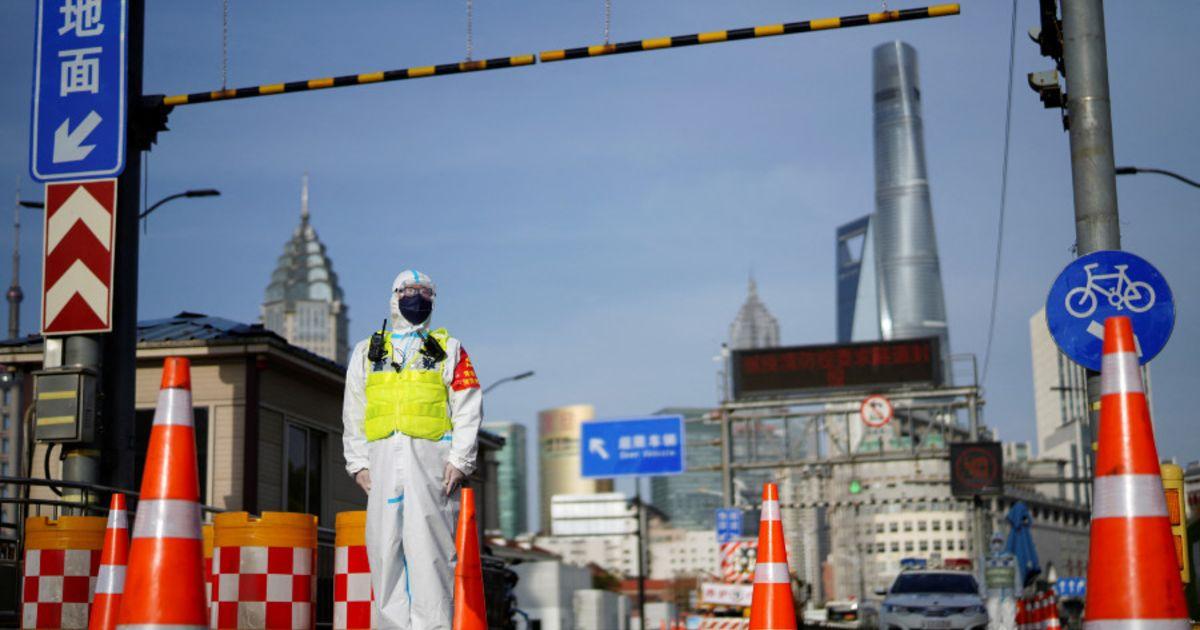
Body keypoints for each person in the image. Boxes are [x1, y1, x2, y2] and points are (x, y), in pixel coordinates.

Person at [343, 269, 483, 629]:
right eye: (408, 290)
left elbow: (468, 405)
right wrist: (358, 462)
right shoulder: (367, 351)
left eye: (425, 292)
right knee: (385, 552)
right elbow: (354, 409)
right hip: (383, 465)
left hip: (432, 466)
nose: (416, 298)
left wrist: (461, 460)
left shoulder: (449, 349)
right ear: (394, 295)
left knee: (430, 555)